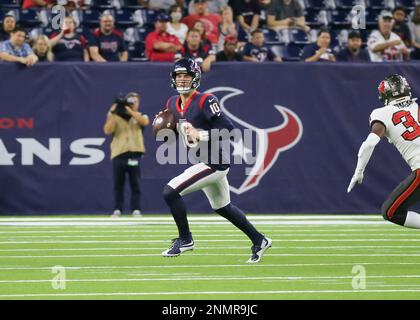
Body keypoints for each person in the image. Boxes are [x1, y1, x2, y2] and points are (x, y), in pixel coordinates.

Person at [157, 58, 272, 263]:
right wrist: (165, 128)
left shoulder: (205, 100)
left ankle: (186, 240)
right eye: (179, 76)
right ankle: (259, 239)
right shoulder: (172, 102)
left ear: (196, 78)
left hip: (214, 163)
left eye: (187, 76)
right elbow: (178, 134)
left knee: (170, 191)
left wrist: (201, 134)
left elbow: (229, 130)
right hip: (202, 161)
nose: (182, 80)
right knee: (223, 207)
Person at [348, 74, 420, 230]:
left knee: (391, 211)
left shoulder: (381, 113)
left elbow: (369, 144)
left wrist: (358, 171)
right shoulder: (416, 108)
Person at [104, 92, 149, 217]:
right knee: (118, 184)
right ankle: (117, 209)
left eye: (135, 102)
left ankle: (136, 209)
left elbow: (144, 122)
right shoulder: (115, 116)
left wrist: (129, 109)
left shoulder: (140, 115)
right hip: (119, 154)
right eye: (130, 101)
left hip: (135, 154)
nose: (133, 103)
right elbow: (107, 130)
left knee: (135, 183)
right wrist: (113, 112)